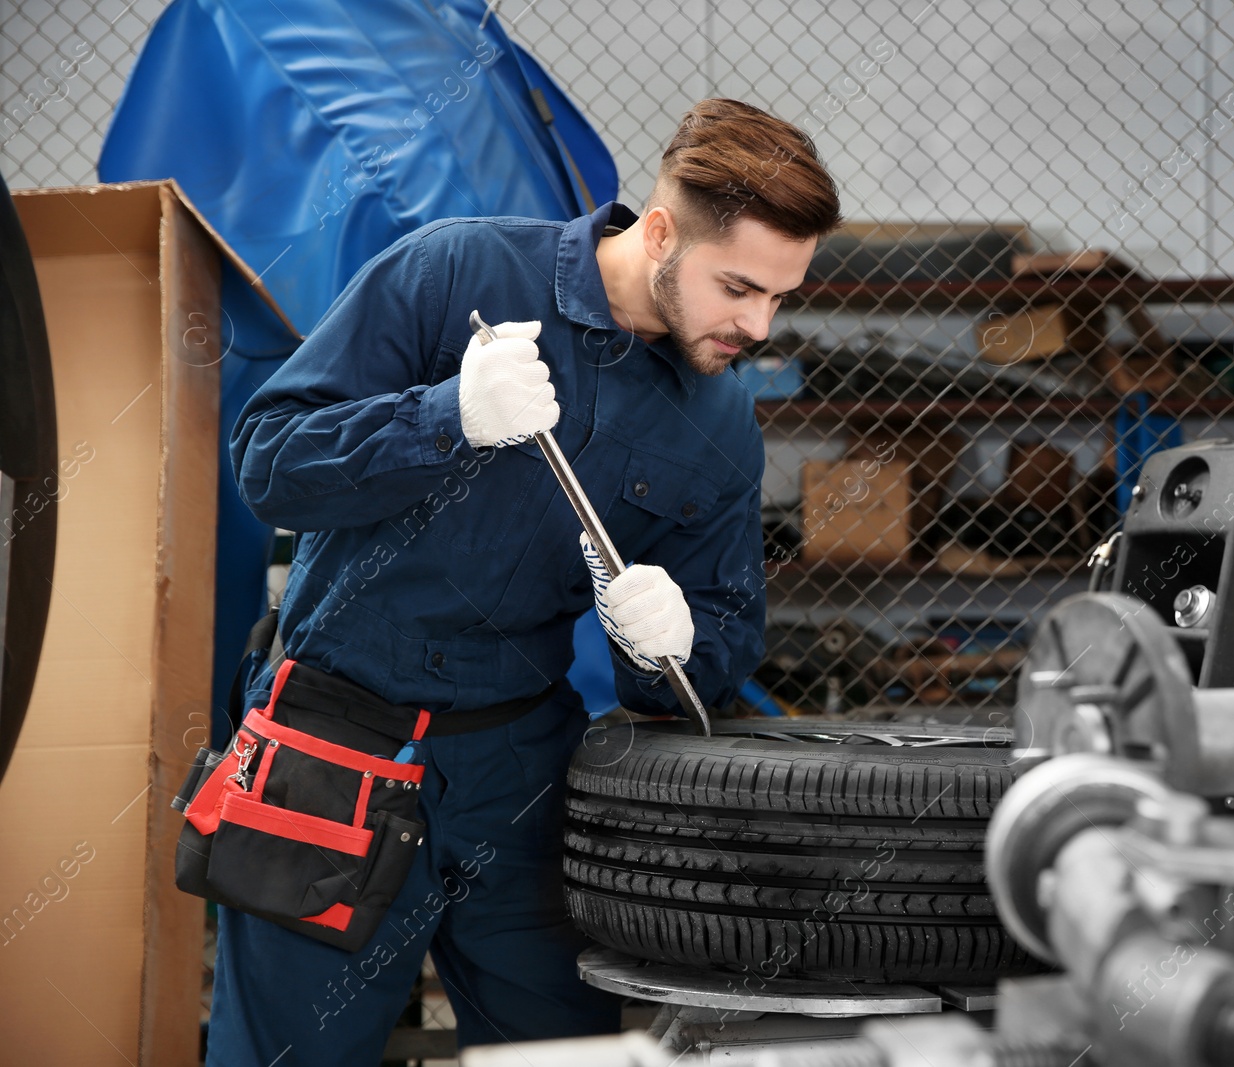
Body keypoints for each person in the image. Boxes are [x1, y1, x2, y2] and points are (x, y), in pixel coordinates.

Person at [207, 98, 842, 1066]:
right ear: (660, 232)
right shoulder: (454, 269)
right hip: (336, 752)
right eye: (739, 287)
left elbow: (713, 651)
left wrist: (672, 646)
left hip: (519, 777)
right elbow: (268, 462)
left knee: (562, 1050)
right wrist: (443, 417)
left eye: (779, 296)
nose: (757, 324)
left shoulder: (717, 422)